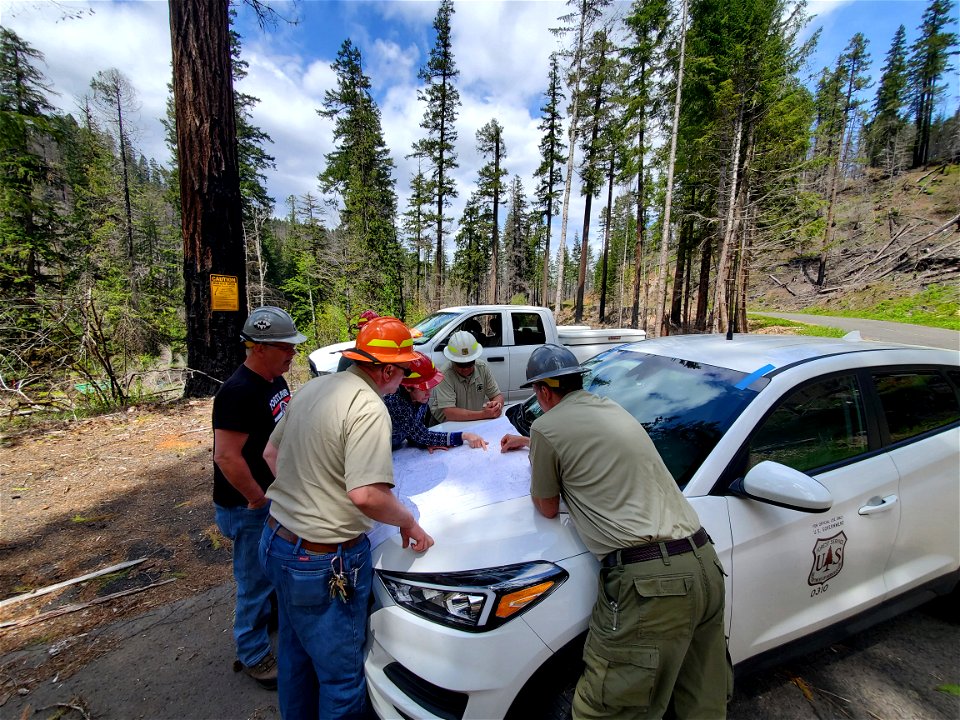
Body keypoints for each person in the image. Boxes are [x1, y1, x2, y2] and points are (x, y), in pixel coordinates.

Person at [505, 344, 732, 719]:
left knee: (610, 707)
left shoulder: (546, 425)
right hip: (704, 563)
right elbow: (601, 449)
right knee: (700, 702)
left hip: (651, 585)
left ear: (543, 391)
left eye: (536, 394)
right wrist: (530, 444)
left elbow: (546, 507)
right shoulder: (613, 409)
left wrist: (539, 453)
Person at [259, 316, 434, 719]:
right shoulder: (370, 408)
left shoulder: (313, 388)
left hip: (276, 541)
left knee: (296, 656)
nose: (404, 380)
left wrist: (306, 497)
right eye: (404, 370)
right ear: (387, 370)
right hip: (322, 562)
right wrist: (407, 521)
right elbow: (368, 495)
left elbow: (272, 455)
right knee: (341, 680)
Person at [212, 306, 307, 690]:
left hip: (272, 497)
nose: (293, 354)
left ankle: (271, 621)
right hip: (246, 505)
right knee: (253, 580)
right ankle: (253, 654)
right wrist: (255, 498)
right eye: (286, 347)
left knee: (270, 569)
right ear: (259, 348)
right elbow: (226, 456)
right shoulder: (237, 392)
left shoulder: (275, 381)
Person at [385, 351, 489, 452]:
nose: (428, 394)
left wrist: (426, 442)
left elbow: (415, 431)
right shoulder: (395, 402)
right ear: (408, 388)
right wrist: (464, 436)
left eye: (429, 388)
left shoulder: (419, 397)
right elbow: (421, 434)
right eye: (424, 388)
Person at [428, 330, 504, 423]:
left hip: (473, 420)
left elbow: (497, 395)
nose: (465, 369)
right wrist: (484, 414)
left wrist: (496, 405)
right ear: (452, 360)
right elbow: (450, 413)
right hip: (445, 424)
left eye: (470, 364)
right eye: (461, 365)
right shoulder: (445, 374)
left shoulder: (482, 368)